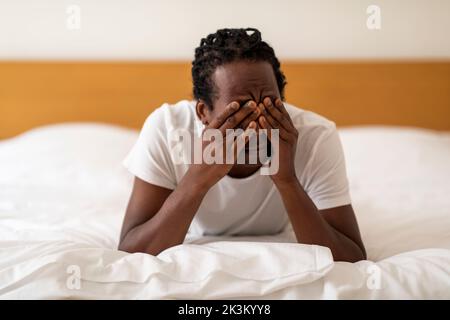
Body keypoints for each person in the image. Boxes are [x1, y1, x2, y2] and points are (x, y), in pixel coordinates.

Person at [118, 28, 366, 262]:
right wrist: (197, 179)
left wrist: (286, 179)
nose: (257, 124)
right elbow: (132, 251)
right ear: (203, 112)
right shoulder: (168, 128)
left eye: (269, 104)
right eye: (240, 111)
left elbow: (352, 257)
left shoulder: (314, 135)